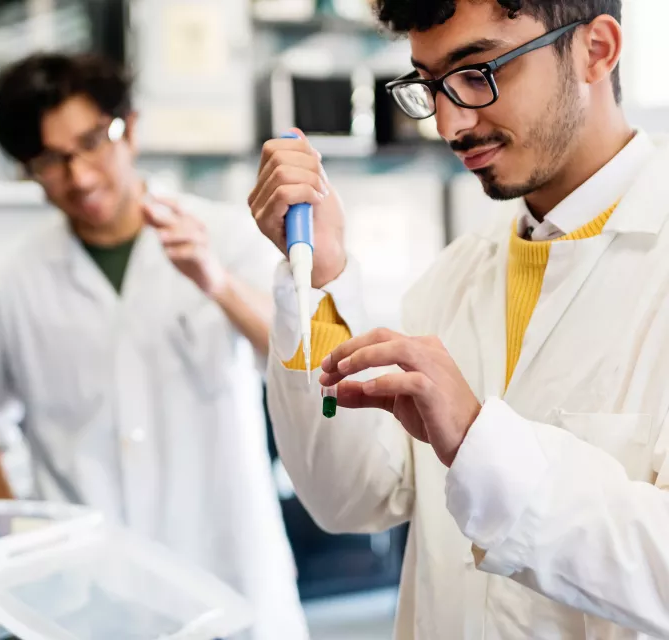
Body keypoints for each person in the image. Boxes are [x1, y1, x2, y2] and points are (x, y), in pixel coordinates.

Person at [250, 0, 669, 637]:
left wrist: (479, 439)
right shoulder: (453, 277)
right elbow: (350, 498)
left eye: (478, 72)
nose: (449, 122)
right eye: (429, 84)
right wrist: (323, 276)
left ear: (597, 50)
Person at [0, 53, 309, 639]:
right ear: (26, 169)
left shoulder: (227, 236)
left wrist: (216, 283)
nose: (79, 177)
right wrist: (19, 536)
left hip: (227, 570)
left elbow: (300, 353)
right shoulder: (4, 287)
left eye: (91, 143)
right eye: (50, 161)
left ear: (129, 127)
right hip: (87, 597)